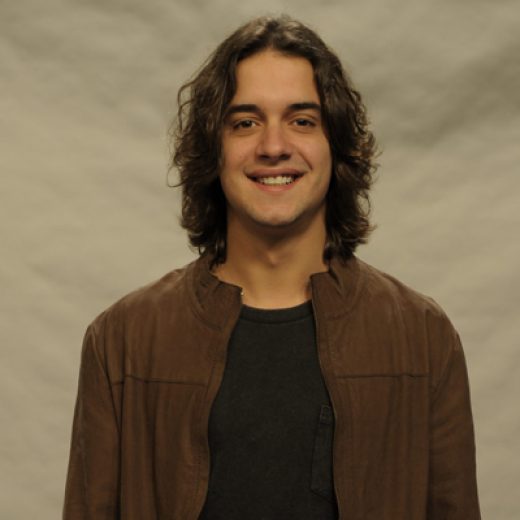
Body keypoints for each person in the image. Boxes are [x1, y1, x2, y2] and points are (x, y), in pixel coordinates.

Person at [63, 15, 481, 520]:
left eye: (302, 121)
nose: (274, 146)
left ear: (335, 146)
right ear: (213, 150)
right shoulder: (122, 341)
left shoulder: (422, 338)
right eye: (245, 122)